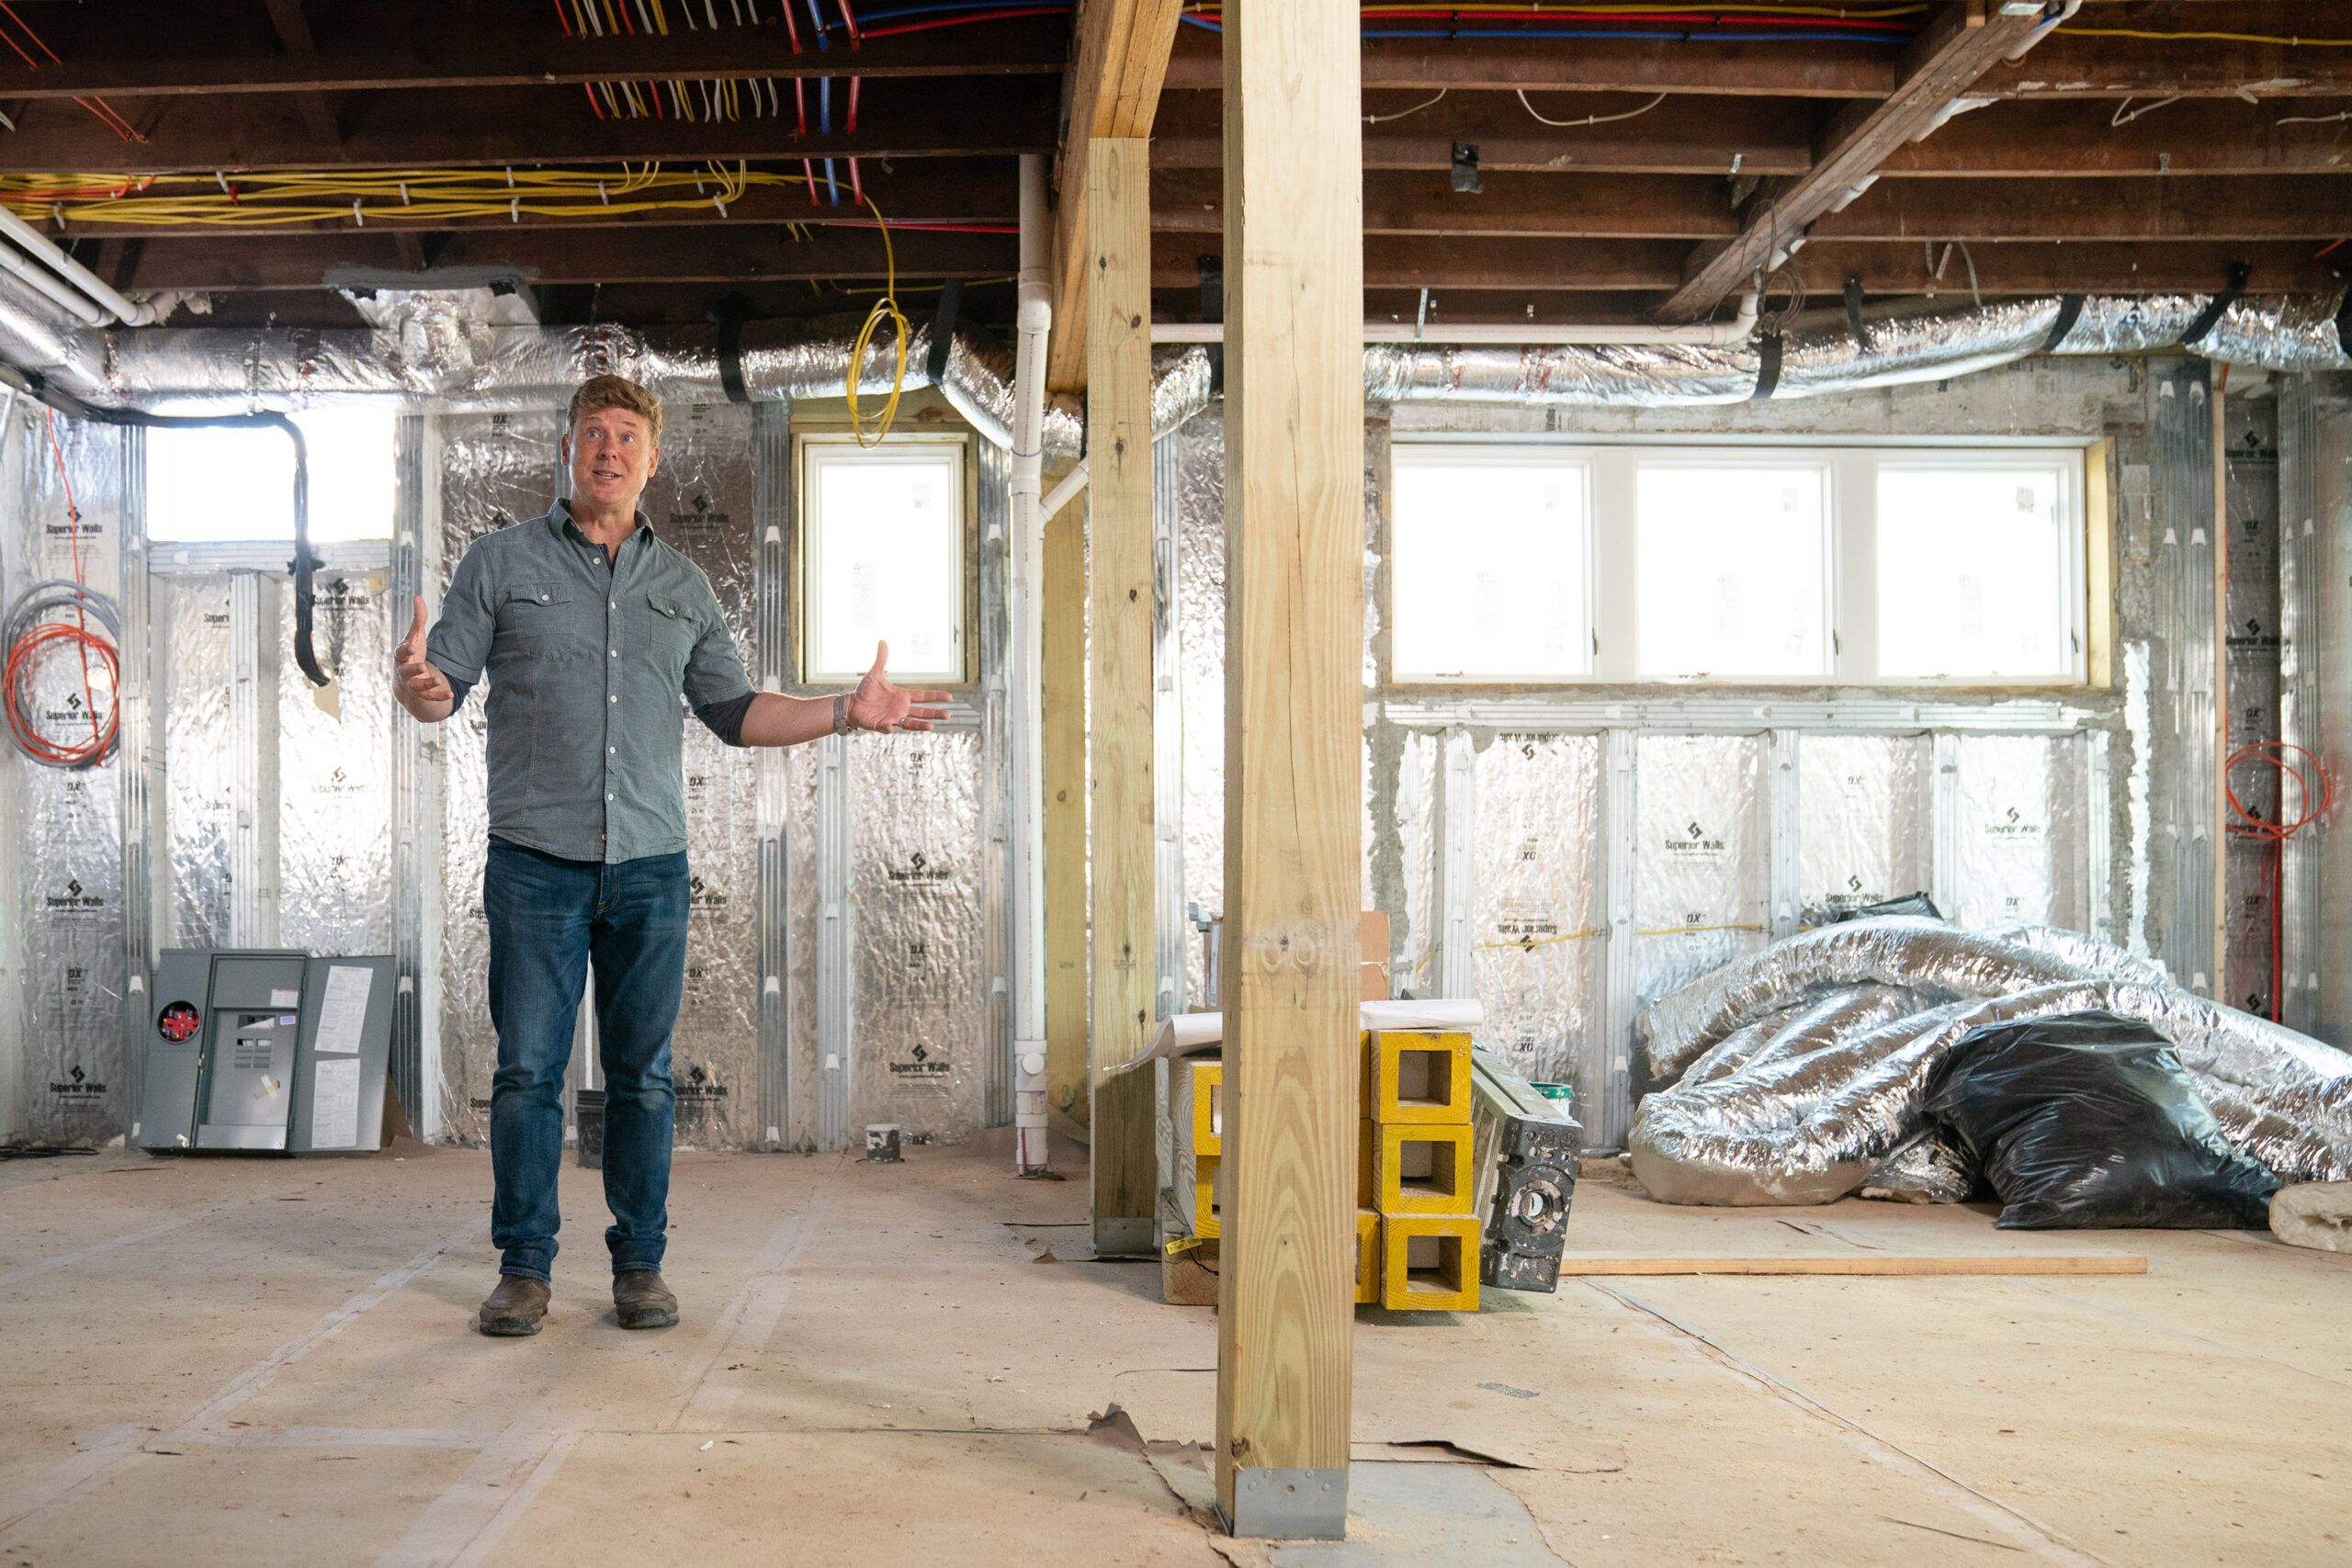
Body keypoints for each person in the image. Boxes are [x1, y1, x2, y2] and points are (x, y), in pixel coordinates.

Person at [392, 373, 948, 1337]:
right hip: (535, 861)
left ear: (653, 460)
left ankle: (639, 1268)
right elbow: (444, 688)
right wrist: (418, 687)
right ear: (566, 451)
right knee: (529, 1071)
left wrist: (843, 717)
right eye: (592, 433)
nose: (608, 449)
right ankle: (523, 1270)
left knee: (644, 1076)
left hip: (649, 867)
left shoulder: (681, 586)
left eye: (626, 437)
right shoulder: (499, 562)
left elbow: (735, 714)